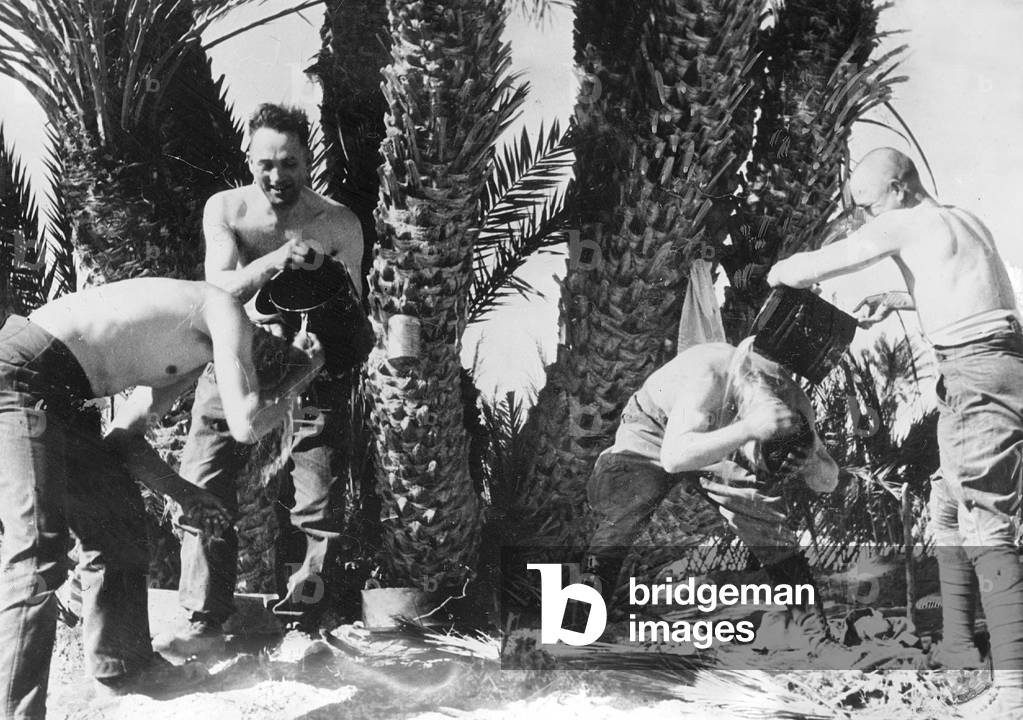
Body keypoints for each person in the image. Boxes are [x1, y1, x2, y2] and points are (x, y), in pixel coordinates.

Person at [768, 146, 1023, 716]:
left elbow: (829, 261)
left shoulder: (903, 221)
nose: (864, 216)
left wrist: (780, 272)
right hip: (1002, 364)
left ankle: (1013, 690)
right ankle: (959, 651)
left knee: (985, 523)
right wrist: (899, 298)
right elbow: (968, 292)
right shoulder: (962, 220)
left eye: (867, 203)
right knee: (947, 507)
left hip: (973, 373)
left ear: (900, 189)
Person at [0, 277, 323, 718]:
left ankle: (125, 671)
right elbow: (246, 425)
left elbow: (122, 438)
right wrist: (304, 371)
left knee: (116, 522)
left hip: (67, 399)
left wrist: (186, 494)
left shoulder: (194, 356)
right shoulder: (224, 308)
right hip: (23, 373)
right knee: (37, 551)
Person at [168, 103, 366, 653]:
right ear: (248, 158)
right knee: (204, 478)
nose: (277, 176)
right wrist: (277, 259)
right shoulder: (226, 208)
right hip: (238, 354)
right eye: (266, 164)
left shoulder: (339, 223)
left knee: (318, 498)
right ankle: (204, 619)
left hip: (309, 361)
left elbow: (355, 313)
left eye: (290, 164)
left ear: (308, 161)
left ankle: (305, 623)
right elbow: (218, 292)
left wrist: (321, 341)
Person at [585, 340, 839, 645]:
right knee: (624, 510)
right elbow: (674, 457)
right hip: (657, 426)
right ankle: (578, 621)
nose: (754, 471)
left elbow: (829, 480)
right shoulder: (711, 379)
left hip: (737, 432)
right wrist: (748, 430)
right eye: (756, 461)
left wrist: (811, 462)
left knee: (764, 521)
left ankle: (817, 636)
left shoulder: (796, 408)